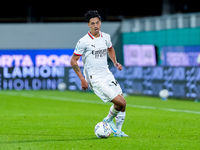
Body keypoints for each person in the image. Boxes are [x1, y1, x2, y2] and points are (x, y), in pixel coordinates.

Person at [70, 10, 128, 137]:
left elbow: (110, 49)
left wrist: (115, 62)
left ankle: (118, 131)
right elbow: (73, 60)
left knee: (122, 100)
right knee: (121, 103)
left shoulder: (106, 37)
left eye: (97, 22)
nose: (96, 25)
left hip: (107, 74)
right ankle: (107, 120)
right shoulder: (83, 41)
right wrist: (82, 78)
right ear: (88, 25)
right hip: (95, 78)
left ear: (100, 22)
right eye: (93, 23)